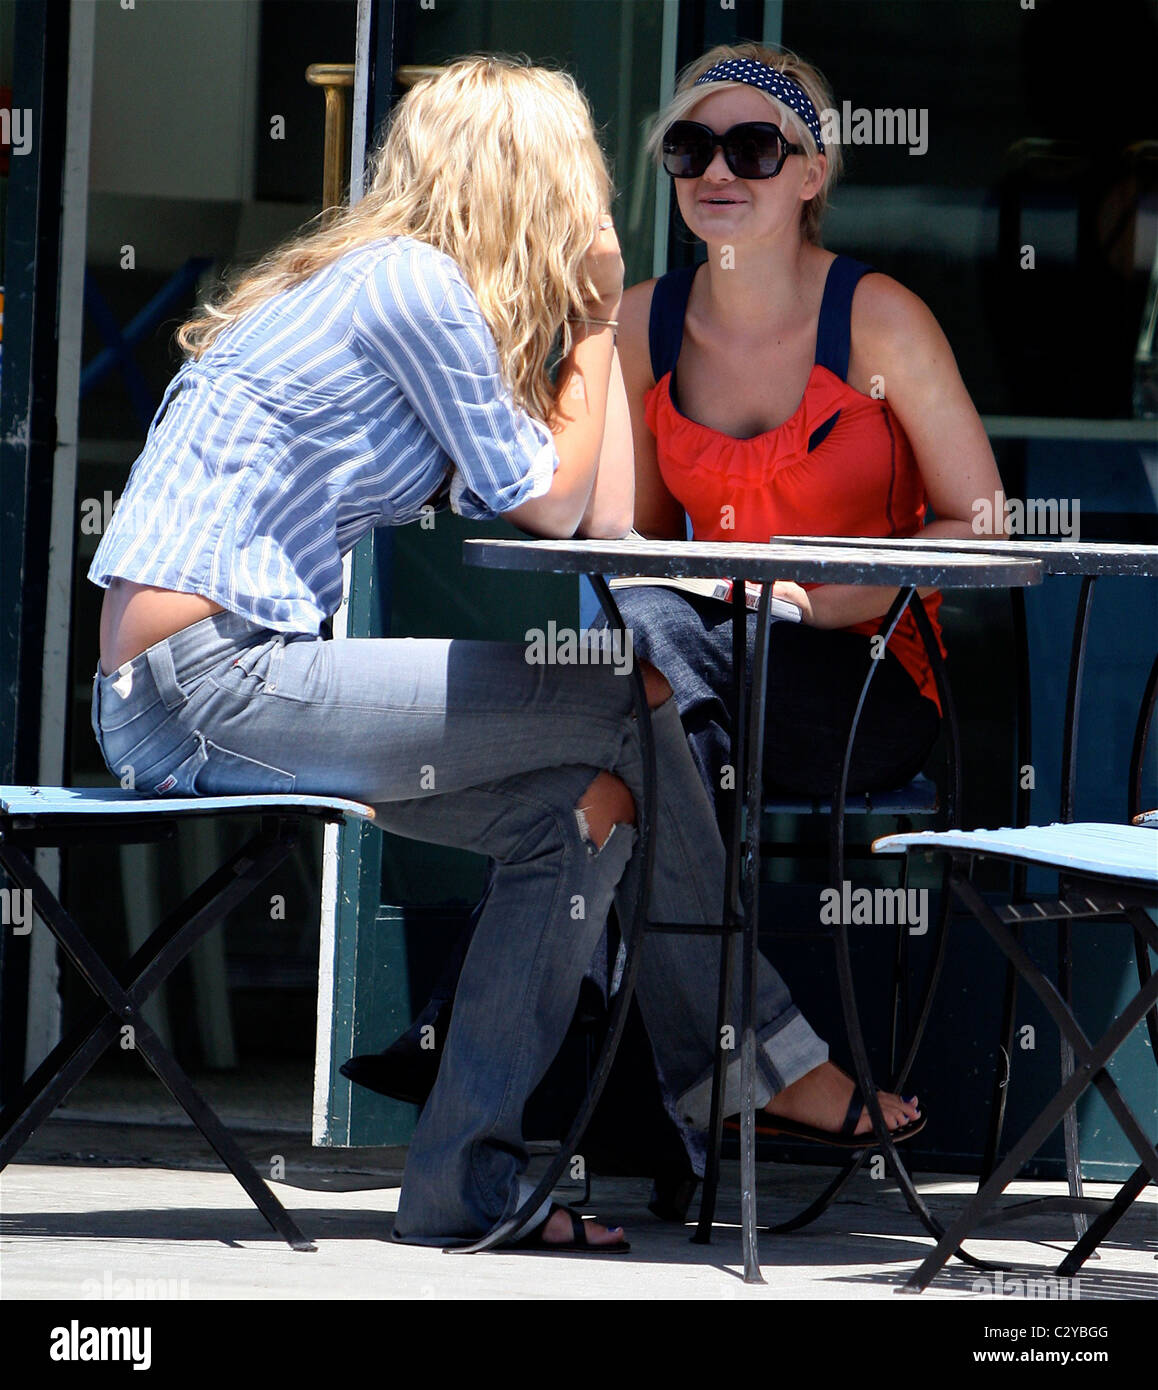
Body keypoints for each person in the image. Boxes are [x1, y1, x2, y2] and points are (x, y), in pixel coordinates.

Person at [86, 55, 878, 1253]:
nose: (594, 208)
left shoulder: (392, 292)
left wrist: (589, 330)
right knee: (627, 692)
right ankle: (746, 1055)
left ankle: (469, 1184)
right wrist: (605, 311)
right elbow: (558, 512)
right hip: (207, 680)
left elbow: (598, 515)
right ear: (532, 180)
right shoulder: (405, 287)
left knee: (584, 811)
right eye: (583, 180)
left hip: (215, 682)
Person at [603, 40, 1008, 1145]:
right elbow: (634, 540)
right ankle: (767, 1062)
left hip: (862, 682)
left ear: (813, 172)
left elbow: (985, 522)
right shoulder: (645, 321)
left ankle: (540, 1068)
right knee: (636, 697)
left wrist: (834, 598)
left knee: (618, 716)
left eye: (754, 147)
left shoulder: (875, 318)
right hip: (708, 678)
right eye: (691, 149)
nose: (718, 172)